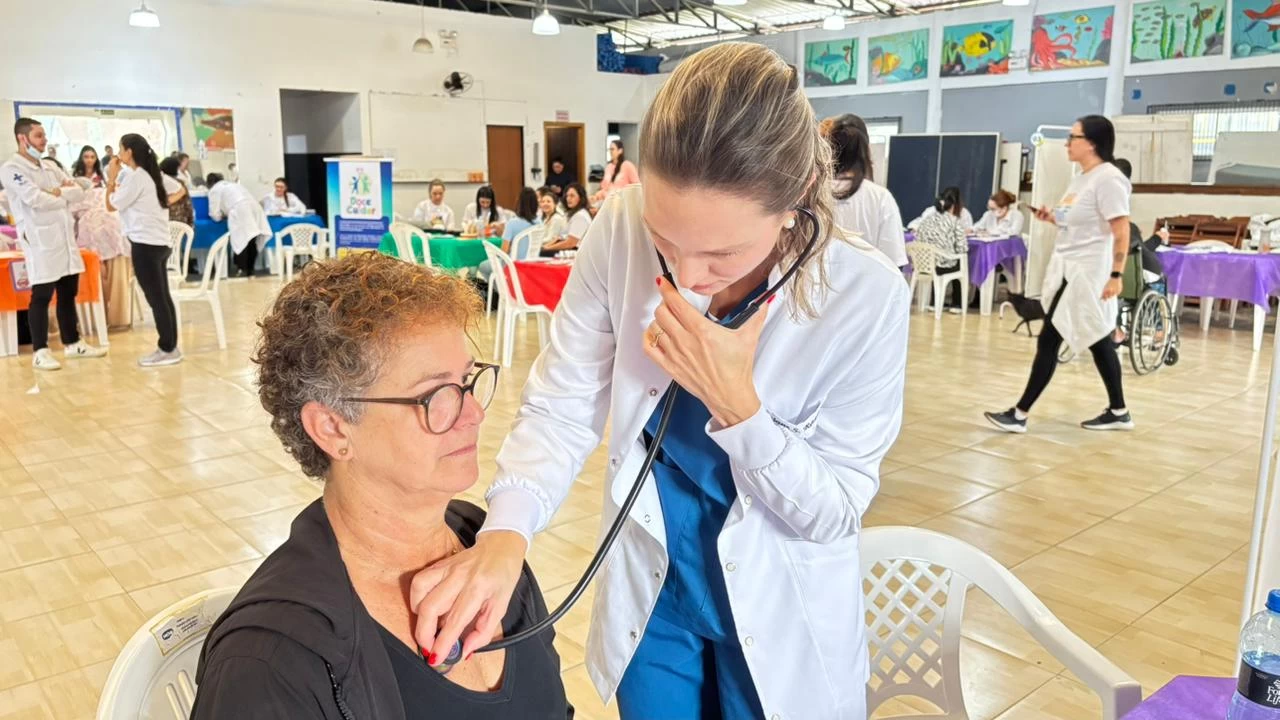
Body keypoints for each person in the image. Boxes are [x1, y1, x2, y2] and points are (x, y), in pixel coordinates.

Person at [408, 43, 909, 720]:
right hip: (657, 590)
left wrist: (741, 410)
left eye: (723, 254)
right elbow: (562, 404)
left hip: (780, 598)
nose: (688, 278)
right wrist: (506, 535)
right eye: (665, 241)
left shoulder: (866, 295)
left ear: (793, 203)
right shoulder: (617, 228)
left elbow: (833, 512)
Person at [190, 253, 571, 719]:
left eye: (468, 381)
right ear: (332, 428)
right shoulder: (271, 659)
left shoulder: (488, 545)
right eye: (436, 395)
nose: (474, 414)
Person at [985, 115, 1134, 434]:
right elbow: (1075, 221)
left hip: (1088, 272)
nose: (1067, 143)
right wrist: (1050, 217)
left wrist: (1116, 274)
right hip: (1068, 268)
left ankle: (1020, 413)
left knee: (1051, 338)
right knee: (1097, 339)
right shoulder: (1081, 178)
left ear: (1091, 143)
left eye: (1073, 137)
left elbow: (1121, 230)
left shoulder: (1109, 179)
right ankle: (1119, 410)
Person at [2, 118, 108, 370]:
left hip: (63, 236)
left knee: (68, 291)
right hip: (39, 239)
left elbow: (80, 189)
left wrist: (60, 192)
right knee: (41, 295)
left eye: (44, 136)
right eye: (39, 136)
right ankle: (40, 350)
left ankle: (73, 343)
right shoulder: (11, 169)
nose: (44, 140)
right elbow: (34, 199)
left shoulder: (49, 166)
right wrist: (61, 193)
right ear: (22, 138)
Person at [106, 134, 183, 367]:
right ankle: (171, 346)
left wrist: (110, 178)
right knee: (163, 297)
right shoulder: (152, 174)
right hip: (159, 243)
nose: (119, 153)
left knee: (156, 298)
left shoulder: (136, 177)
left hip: (144, 244)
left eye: (121, 149)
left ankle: (167, 348)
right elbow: (180, 189)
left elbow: (110, 204)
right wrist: (163, 203)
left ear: (129, 152)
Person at [821, 113, 907, 268]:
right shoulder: (880, 198)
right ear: (866, 150)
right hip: (869, 288)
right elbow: (894, 261)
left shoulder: (814, 193)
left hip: (817, 287)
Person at [206, 172, 272, 277]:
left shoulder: (215, 190)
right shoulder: (234, 185)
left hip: (241, 210)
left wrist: (220, 216)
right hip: (255, 208)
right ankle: (250, 270)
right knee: (251, 239)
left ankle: (242, 269)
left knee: (242, 240)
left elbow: (214, 214)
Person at [915, 189, 969, 312]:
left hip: (924, 264)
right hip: (942, 265)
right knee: (960, 261)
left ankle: (935, 302)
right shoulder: (954, 221)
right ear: (955, 205)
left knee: (936, 257)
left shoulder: (927, 219)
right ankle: (957, 304)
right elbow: (962, 248)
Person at [476, 188, 539, 283]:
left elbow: (504, 251)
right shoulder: (539, 223)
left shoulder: (512, 223)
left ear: (519, 203)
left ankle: (503, 292)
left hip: (511, 263)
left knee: (482, 266)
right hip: (532, 264)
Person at [539, 183, 590, 256]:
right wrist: (546, 246)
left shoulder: (580, 216)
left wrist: (548, 249)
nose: (568, 198)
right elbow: (560, 237)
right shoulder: (572, 214)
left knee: (541, 253)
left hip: (576, 251)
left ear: (580, 198)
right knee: (541, 251)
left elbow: (570, 243)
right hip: (567, 246)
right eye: (567, 196)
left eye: (572, 196)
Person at [591, 139, 640, 204]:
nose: (610, 151)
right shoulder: (609, 166)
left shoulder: (627, 165)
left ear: (620, 151)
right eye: (609, 149)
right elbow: (604, 187)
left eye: (612, 149)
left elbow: (637, 185)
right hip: (606, 201)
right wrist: (597, 195)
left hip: (621, 202)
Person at [159, 156, 194, 227]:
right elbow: (188, 204)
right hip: (179, 220)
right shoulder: (179, 183)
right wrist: (191, 222)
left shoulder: (157, 182)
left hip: (163, 220)